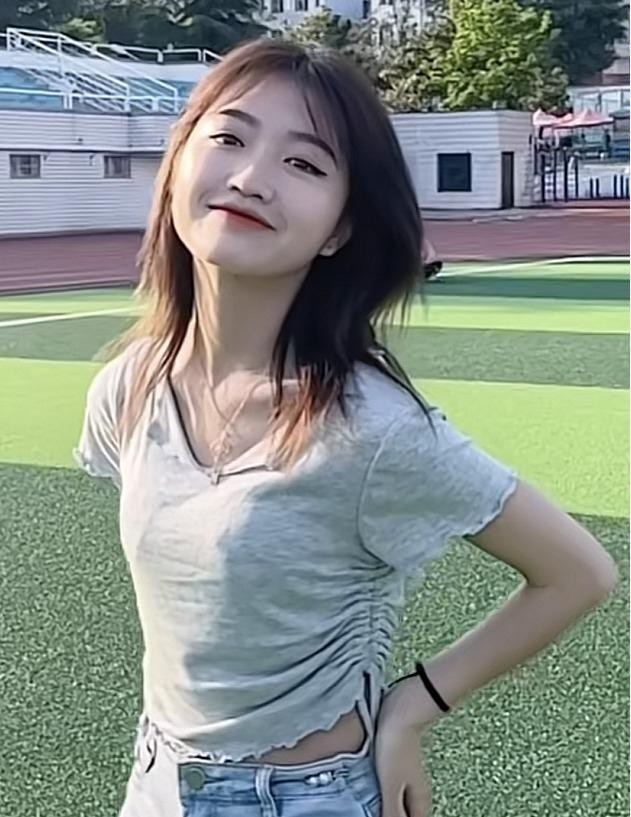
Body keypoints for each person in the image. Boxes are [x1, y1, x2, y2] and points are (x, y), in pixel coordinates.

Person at [74, 39, 618, 817]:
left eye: (304, 163)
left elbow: (577, 572)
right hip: (157, 781)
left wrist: (413, 704)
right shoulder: (129, 386)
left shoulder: (368, 426)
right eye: (228, 137)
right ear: (177, 162)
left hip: (304, 796)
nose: (251, 177)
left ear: (338, 229)